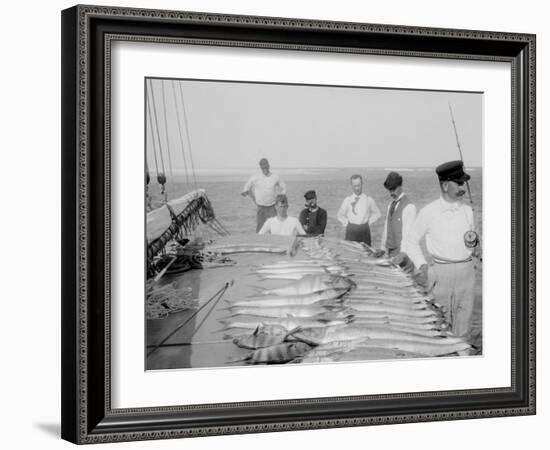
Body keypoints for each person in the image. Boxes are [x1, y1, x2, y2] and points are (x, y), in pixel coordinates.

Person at [405, 160, 478, 345]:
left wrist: (476, 244)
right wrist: (422, 265)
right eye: (459, 183)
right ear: (445, 185)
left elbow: (474, 244)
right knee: (439, 325)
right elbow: (411, 241)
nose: (463, 186)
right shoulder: (429, 212)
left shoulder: (469, 211)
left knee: (464, 326)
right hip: (440, 273)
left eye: (464, 182)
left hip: (467, 274)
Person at [241, 158, 287, 232]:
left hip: (272, 207)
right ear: (260, 167)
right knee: (260, 228)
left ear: (269, 166)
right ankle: (258, 241)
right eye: (263, 167)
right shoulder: (255, 177)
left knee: (274, 227)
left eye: (266, 166)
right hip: (261, 207)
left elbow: (284, 186)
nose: (264, 168)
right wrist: (245, 191)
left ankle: (274, 241)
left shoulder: (275, 177)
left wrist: (282, 196)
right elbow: (247, 186)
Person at [336, 174, 381, 245]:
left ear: (362, 184)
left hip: (364, 231)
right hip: (351, 231)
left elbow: (377, 213)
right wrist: (347, 224)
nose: (357, 188)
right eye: (354, 186)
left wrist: (369, 222)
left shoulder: (368, 199)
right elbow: (340, 215)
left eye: (359, 185)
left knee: (366, 254)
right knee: (350, 253)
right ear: (351, 185)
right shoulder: (347, 200)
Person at [380, 171, 416, 256]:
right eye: (390, 190)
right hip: (390, 253)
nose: (391, 193)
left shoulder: (409, 207)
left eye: (393, 189)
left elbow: (408, 235)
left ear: (400, 186)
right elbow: (386, 229)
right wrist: (383, 249)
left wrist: (403, 254)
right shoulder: (390, 205)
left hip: (403, 254)